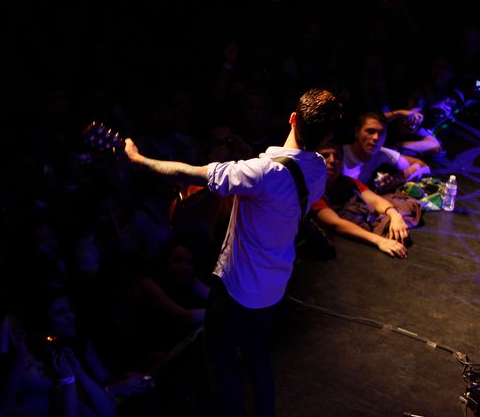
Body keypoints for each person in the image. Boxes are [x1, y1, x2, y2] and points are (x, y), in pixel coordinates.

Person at [123, 88, 342, 417]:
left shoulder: (261, 172)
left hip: (237, 291)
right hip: (274, 286)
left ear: (292, 118)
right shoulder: (318, 170)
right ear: (327, 136)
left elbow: (188, 173)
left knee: (222, 366)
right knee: (258, 359)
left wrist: (138, 160)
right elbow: (278, 181)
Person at [311, 139, 411, 259]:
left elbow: (375, 200)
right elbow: (336, 223)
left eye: (337, 157)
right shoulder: (312, 191)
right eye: (325, 156)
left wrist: (395, 216)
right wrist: (380, 241)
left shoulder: (348, 182)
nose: (332, 160)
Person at [342, 111, 430, 194]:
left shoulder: (381, 153)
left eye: (381, 133)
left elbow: (422, 166)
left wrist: (395, 180)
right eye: (370, 131)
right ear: (357, 132)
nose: (376, 137)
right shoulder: (339, 155)